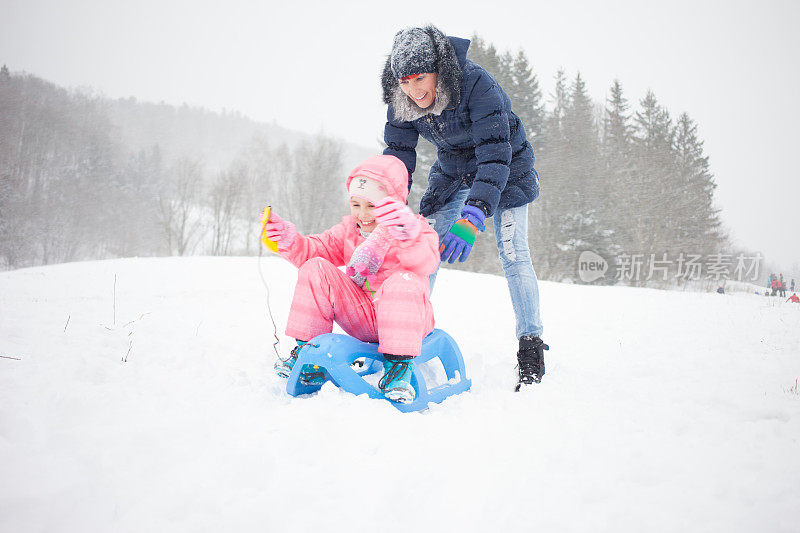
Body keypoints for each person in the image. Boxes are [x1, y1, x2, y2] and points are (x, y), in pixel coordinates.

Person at [381, 25, 548, 391]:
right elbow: (398, 154)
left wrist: (473, 215)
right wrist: (392, 204)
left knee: (513, 251)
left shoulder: (475, 84)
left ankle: (531, 347)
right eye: (404, 81)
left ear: (438, 68)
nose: (413, 89)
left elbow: (495, 152)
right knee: (422, 247)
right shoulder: (403, 98)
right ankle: (406, 336)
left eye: (420, 78)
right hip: (454, 168)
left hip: (506, 163)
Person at [264, 155, 440, 403]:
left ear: (393, 203)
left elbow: (426, 262)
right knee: (315, 268)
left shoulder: (416, 229)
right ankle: (309, 357)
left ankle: (398, 370)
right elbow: (314, 251)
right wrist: (288, 240)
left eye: (372, 206)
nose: (363, 214)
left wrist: (407, 237)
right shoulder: (349, 231)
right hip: (363, 316)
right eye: (356, 205)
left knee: (404, 279)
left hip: (406, 321)